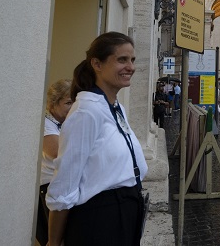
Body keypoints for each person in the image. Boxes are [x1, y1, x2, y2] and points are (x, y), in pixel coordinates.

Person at [46, 32, 148, 246]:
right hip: (101, 221)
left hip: (125, 213)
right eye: (122, 59)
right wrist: (53, 242)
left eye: (132, 60)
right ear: (97, 64)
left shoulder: (115, 107)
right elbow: (65, 181)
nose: (130, 67)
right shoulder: (86, 112)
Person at [35, 79, 72, 246]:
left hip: (63, 188)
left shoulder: (64, 123)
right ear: (53, 103)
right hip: (49, 189)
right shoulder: (46, 124)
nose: (73, 107)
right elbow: (58, 153)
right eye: (68, 103)